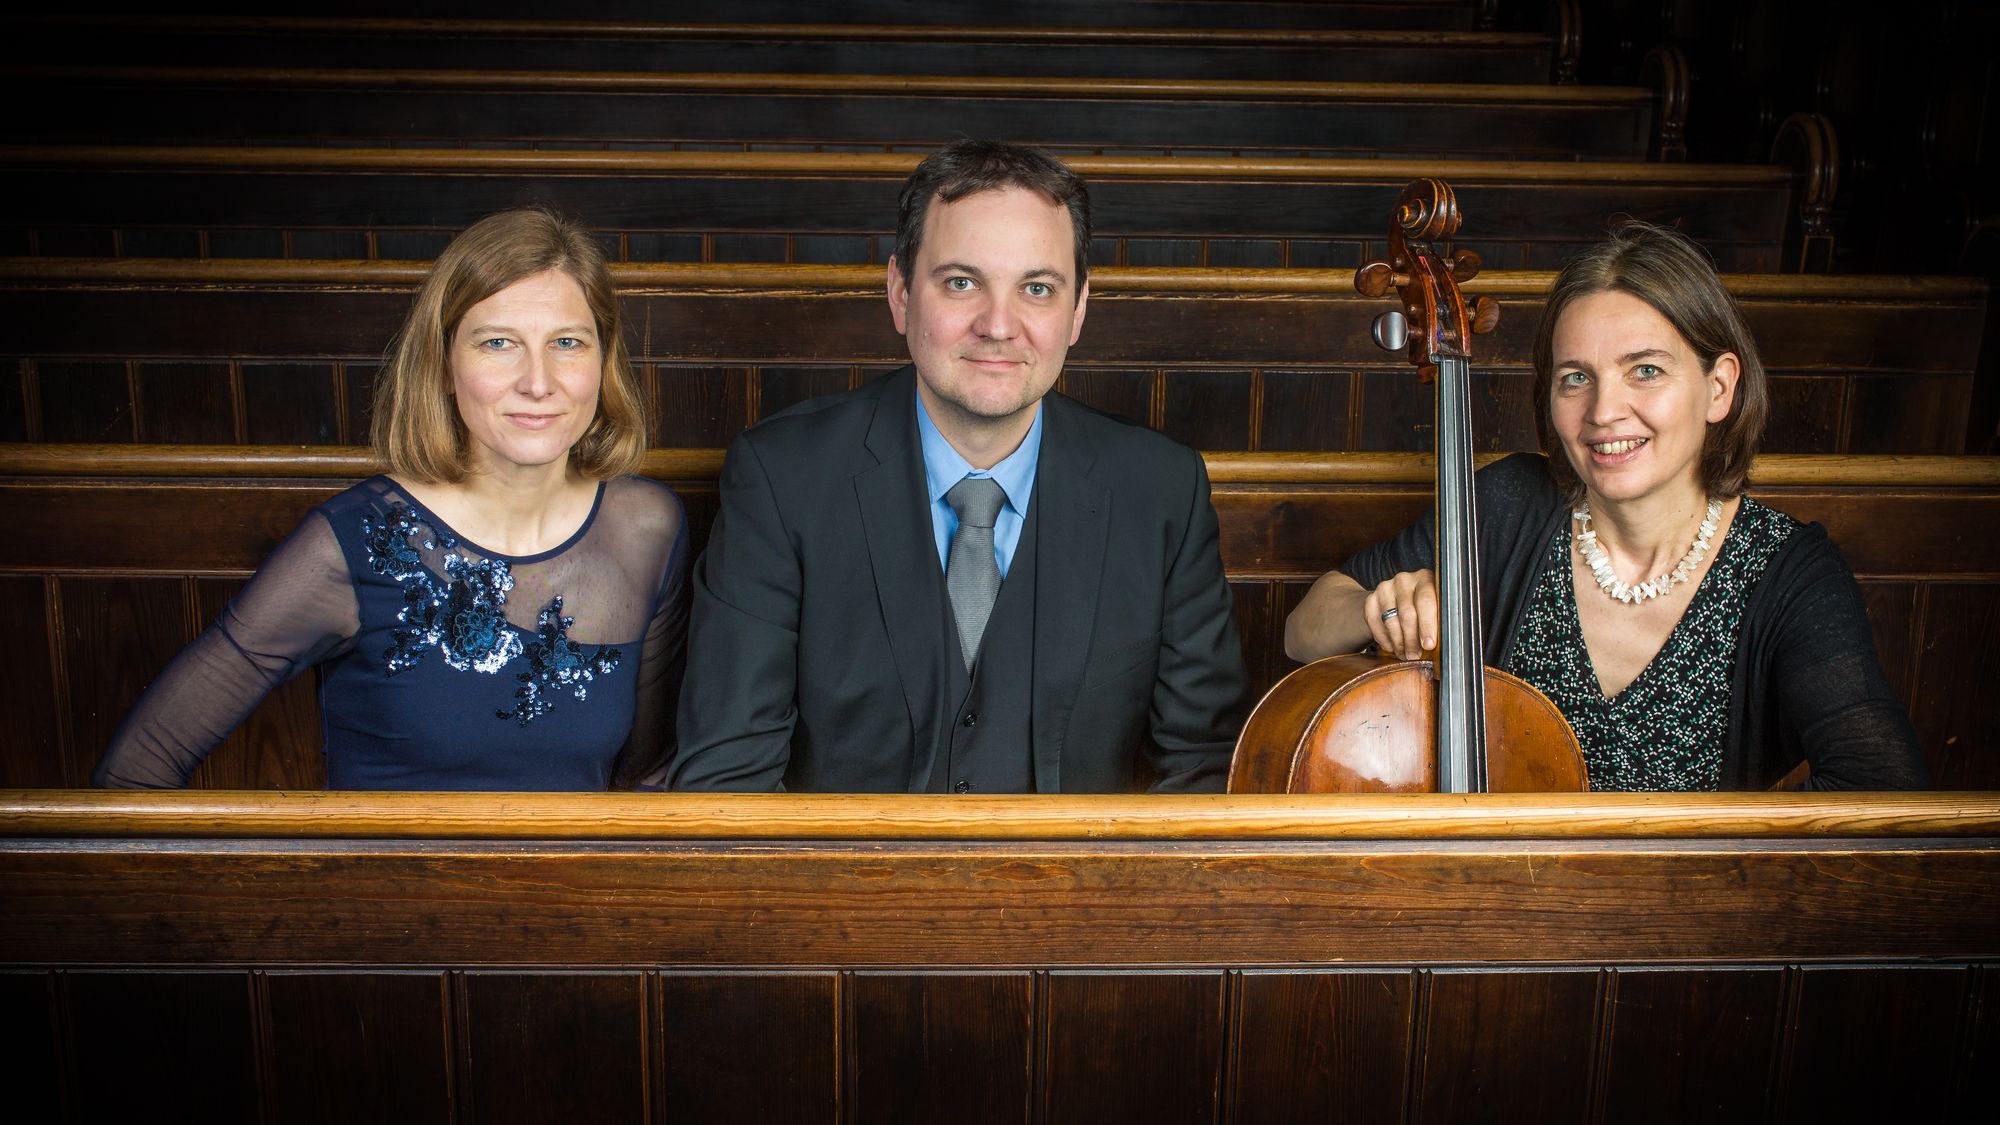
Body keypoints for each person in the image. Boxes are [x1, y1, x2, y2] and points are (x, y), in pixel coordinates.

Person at [670, 140, 1248, 793]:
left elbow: (1202, 774)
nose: (999, 325)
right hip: (844, 895)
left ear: (1078, 309)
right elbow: (728, 781)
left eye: (1037, 287)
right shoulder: (782, 479)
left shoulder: (1162, 493)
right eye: (961, 282)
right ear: (900, 294)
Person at [1283, 221, 1927, 791]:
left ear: (1719, 388)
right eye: (1576, 377)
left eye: (1645, 369)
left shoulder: (1788, 573)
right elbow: (1303, 630)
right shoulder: (1509, 505)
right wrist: (1392, 605)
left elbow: (1882, 784)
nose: (1603, 411)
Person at [94, 209, 688, 790]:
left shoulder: (645, 528)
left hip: (577, 888)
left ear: (603, 362)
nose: (538, 381)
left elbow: (647, 779)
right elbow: (134, 770)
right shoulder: (356, 540)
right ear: (444, 364)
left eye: (567, 342)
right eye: (498, 342)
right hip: (391, 890)